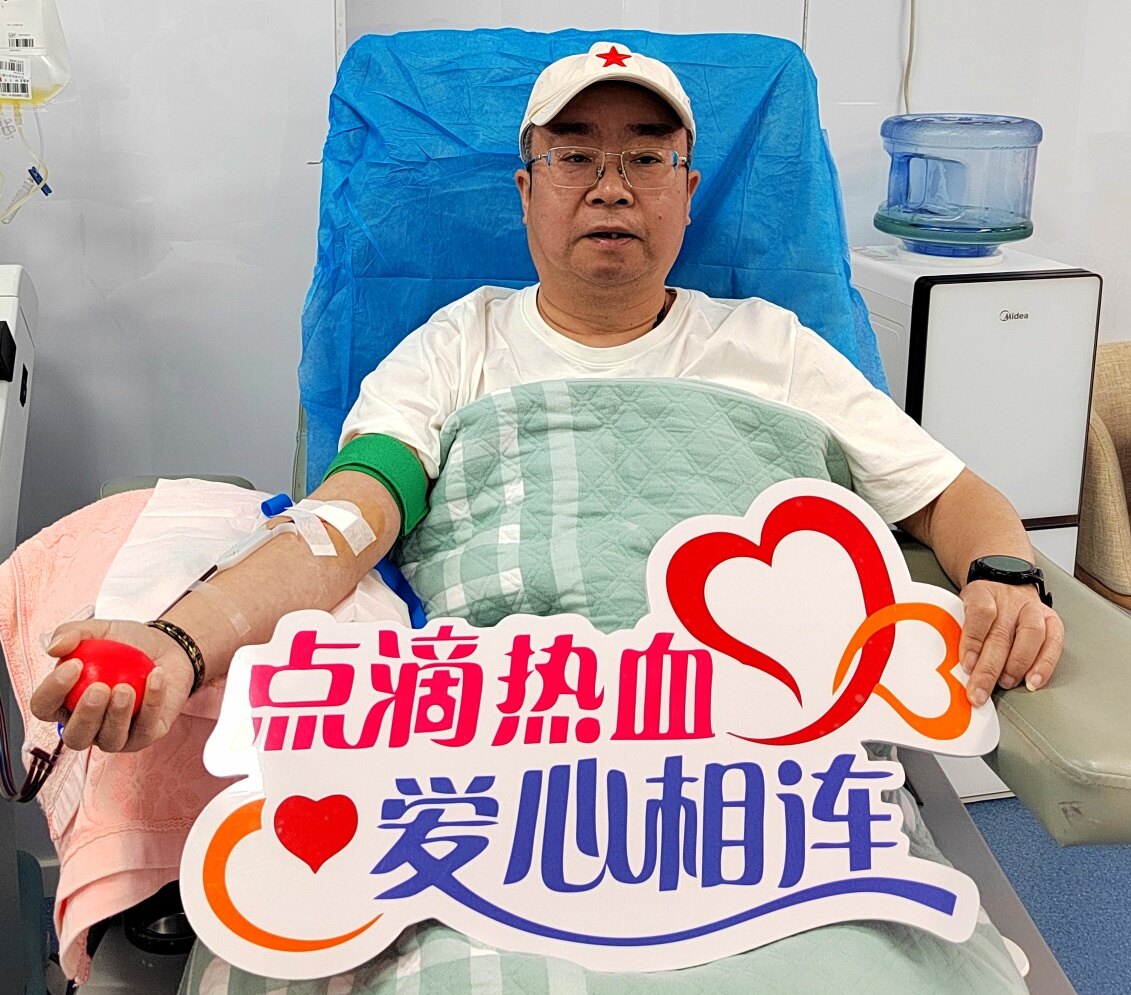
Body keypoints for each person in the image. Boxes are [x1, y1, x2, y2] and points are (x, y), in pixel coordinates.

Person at [32, 41, 1063, 764]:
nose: (611, 187)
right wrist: (181, 640)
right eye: (573, 156)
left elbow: (949, 496)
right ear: (525, 190)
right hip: (504, 737)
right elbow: (344, 522)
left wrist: (1006, 574)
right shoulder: (454, 349)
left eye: (645, 158)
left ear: (687, 191)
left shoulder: (774, 347)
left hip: (757, 742)